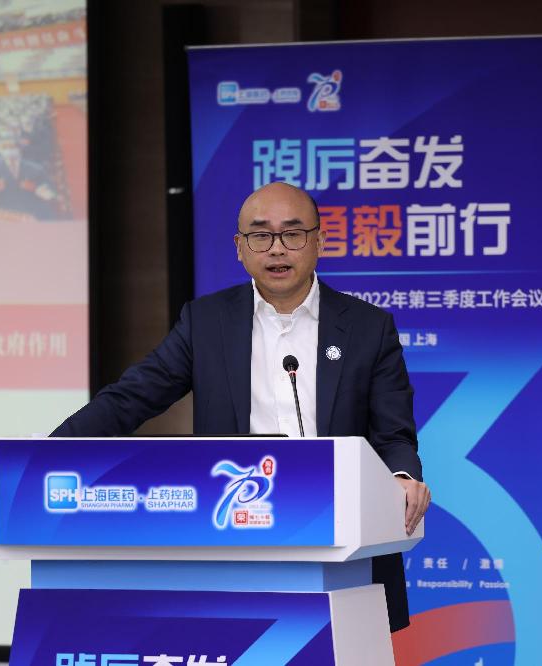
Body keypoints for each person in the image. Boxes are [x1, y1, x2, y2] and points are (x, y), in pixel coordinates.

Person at [51, 181, 431, 632]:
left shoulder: (369, 327)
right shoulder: (206, 322)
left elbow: (394, 434)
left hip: (342, 540)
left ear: (319, 241)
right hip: (235, 531)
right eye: (260, 235)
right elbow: (132, 397)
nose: (277, 249)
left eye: (293, 233)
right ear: (239, 247)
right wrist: (49, 451)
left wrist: (401, 478)